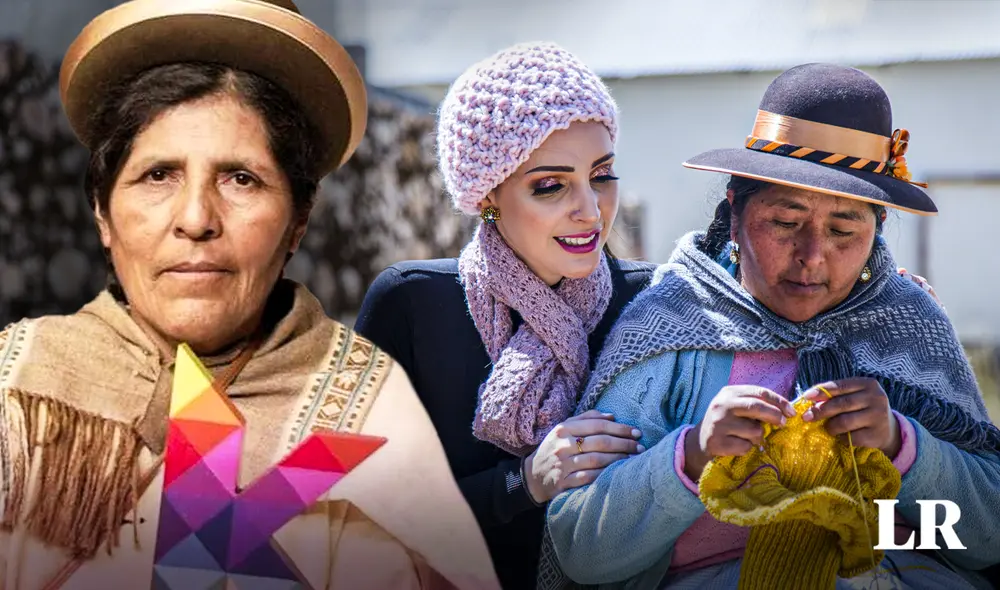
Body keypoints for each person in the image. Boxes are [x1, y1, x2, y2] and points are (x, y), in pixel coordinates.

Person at [0, 0, 501, 588]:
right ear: (102, 214)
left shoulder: (367, 407)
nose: (195, 219)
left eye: (241, 178)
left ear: (298, 221)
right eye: (158, 175)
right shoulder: (19, 390)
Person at [545, 63, 1000, 589]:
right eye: (785, 223)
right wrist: (692, 456)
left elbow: (987, 539)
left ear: (876, 231)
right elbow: (582, 549)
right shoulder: (668, 323)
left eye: (845, 229)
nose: (813, 257)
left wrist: (904, 446)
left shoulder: (908, 324)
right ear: (735, 212)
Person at [354, 42, 654, 589]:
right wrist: (525, 481)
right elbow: (358, 514)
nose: (590, 209)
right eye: (551, 185)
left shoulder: (651, 304)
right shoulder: (414, 304)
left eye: (602, 175)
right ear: (489, 194)